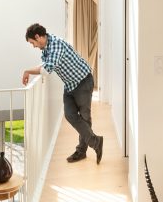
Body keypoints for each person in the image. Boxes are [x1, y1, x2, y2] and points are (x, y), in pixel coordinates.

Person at [22, 23, 103, 164]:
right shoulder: (47, 46)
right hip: (70, 84)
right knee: (70, 114)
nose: (33, 46)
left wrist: (27, 71)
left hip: (83, 81)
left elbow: (46, 70)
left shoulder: (56, 45)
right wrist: (29, 71)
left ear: (37, 37)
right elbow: (44, 64)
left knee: (85, 117)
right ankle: (96, 141)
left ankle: (81, 151)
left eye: (32, 43)